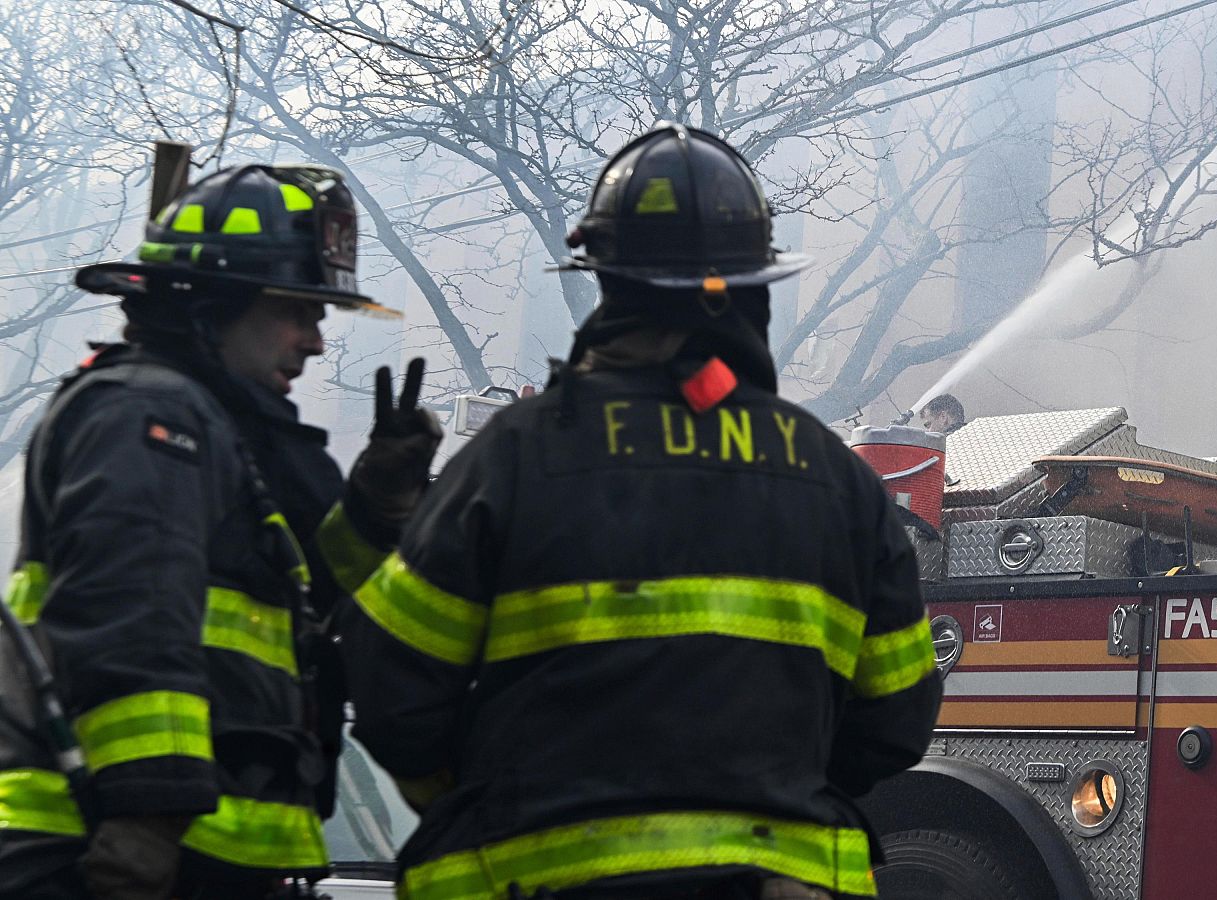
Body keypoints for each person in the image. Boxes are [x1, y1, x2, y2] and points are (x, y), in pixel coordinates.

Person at [341, 121, 942, 900]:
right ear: (750, 291)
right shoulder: (836, 478)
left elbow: (392, 694)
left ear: (607, 285)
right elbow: (896, 717)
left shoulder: (514, 457)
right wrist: (772, 789)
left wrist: (491, 788)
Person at [0, 160, 440, 899]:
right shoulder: (146, 418)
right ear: (215, 306)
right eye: (295, 312)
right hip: (107, 850)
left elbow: (310, 609)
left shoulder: (227, 434)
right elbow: (130, 617)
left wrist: (376, 508)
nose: (315, 343)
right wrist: (147, 817)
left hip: (199, 853)